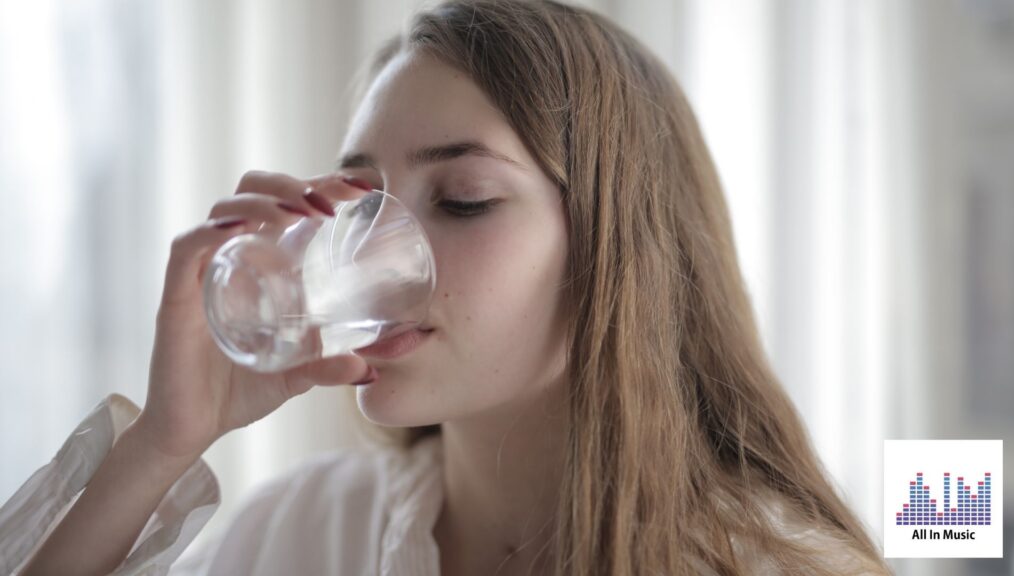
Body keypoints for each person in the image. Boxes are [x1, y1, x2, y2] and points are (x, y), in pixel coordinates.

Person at [1, 0, 893, 574]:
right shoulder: (308, 531)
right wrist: (161, 444)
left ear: (620, 250)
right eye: (360, 202)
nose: (372, 255)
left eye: (462, 199)